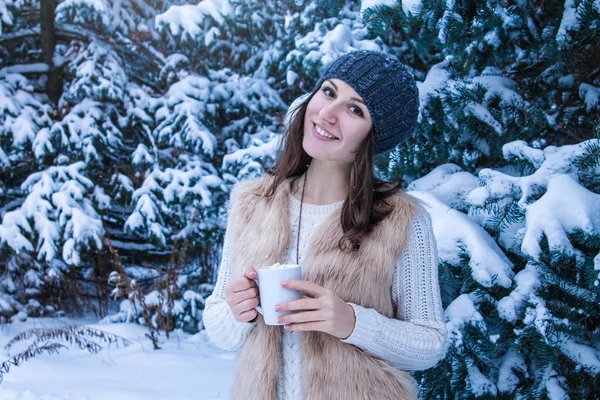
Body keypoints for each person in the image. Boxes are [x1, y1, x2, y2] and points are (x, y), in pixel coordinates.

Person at [203, 50, 447, 400]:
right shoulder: (252, 203)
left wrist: (351, 321)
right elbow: (219, 327)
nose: (328, 114)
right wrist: (236, 311)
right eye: (329, 92)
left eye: (355, 110)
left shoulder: (401, 220)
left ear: (373, 137)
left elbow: (429, 343)